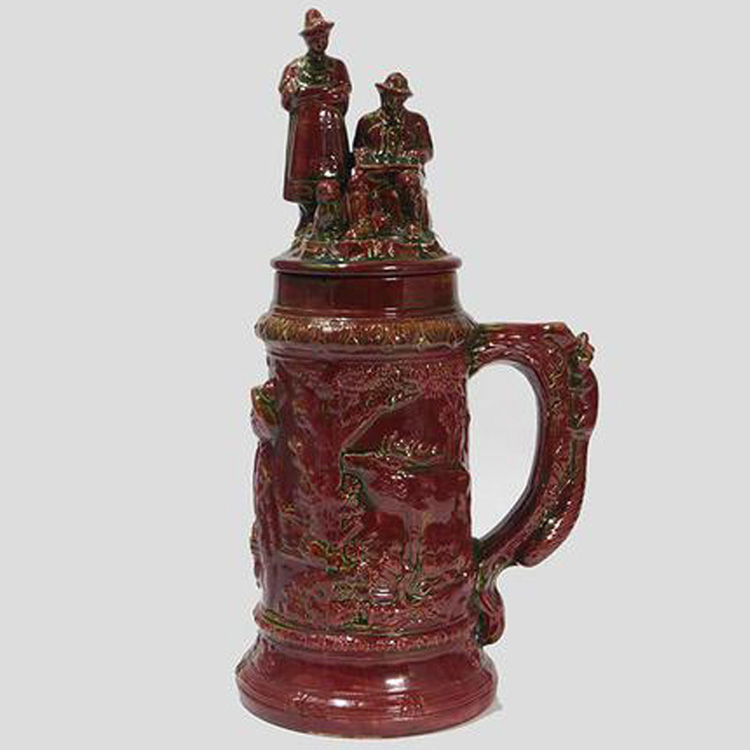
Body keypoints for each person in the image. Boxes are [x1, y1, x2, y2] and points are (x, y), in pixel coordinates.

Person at [279, 9, 352, 233]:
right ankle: (307, 217)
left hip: (330, 128)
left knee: (333, 174)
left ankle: (332, 219)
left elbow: (341, 96)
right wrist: (318, 95)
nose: (320, 41)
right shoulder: (295, 68)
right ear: (307, 40)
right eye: (315, 37)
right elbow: (289, 97)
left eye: (323, 36)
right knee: (303, 174)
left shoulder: (337, 67)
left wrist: (309, 95)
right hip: (305, 128)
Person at [348, 73, 433, 239]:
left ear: (404, 99)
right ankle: (361, 224)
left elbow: (427, 151)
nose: (392, 101)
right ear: (381, 95)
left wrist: (415, 155)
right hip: (375, 171)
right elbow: (357, 149)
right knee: (357, 182)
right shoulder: (367, 121)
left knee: (409, 181)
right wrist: (363, 155)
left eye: (398, 97)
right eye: (388, 96)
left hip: (405, 171)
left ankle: (412, 225)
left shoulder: (416, 121)